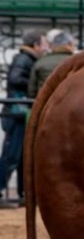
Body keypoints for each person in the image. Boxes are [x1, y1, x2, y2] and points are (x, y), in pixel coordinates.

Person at [0, 30, 46, 208]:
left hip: (17, 112)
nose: (44, 48)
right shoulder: (25, 59)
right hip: (17, 112)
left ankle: (21, 193)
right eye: (42, 44)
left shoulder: (25, 58)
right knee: (11, 155)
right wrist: (34, 82)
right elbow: (15, 79)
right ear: (35, 45)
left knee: (18, 157)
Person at [29, 31, 75, 99]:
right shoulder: (76, 62)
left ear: (53, 45)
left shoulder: (40, 62)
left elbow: (31, 91)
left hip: (45, 103)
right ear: (70, 44)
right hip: (69, 104)